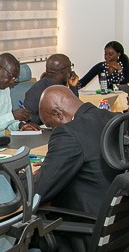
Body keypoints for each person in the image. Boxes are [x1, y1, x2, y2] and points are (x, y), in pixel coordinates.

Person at [34, 85, 119, 216]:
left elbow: (39, 191)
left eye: (50, 125)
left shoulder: (68, 132)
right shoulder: (114, 118)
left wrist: (19, 178)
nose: (52, 130)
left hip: (88, 219)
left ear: (58, 114)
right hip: (121, 215)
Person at [22, 53, 80, 125]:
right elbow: (28, 118)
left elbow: (74, 111)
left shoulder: (61, 86)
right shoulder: (37, 90)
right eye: (70, 67)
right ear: (63, 71)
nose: (71, 71)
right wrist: (51, 117)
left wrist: (73, 87)